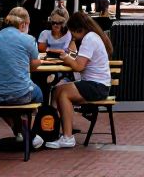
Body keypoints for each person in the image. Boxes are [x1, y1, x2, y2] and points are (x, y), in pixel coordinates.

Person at [46, 11, 113, 149]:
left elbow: (78, 66)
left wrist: (66, 58)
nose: (73, 37)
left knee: (64, 93)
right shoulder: (93, 36)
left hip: (97, 86)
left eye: (72, 33)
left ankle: (68, 137)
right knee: (57, 91)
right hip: (98, 84)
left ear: (79, 29)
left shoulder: (89, 39)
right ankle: (58, 130)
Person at [0, 6, 44, 149]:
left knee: (4, 102)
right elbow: (34, 65)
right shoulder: (28, 39)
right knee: (39, 93)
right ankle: (28, 133)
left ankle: (19, 130)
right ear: (22, 24)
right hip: (20, 94)